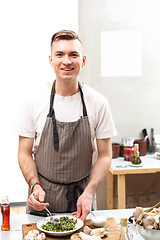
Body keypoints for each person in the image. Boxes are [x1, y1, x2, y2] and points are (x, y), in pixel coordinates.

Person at [18, 30, 117, 222]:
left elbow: (105, 154)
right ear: (51, 60)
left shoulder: (98, 103)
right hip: (42, 200)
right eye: (60, 54)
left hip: (82, 200)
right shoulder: (33, 102)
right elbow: (24, 152)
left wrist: (90, 192)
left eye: (73, 54)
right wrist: (34, 186)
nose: (67, 61)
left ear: (83, 60)